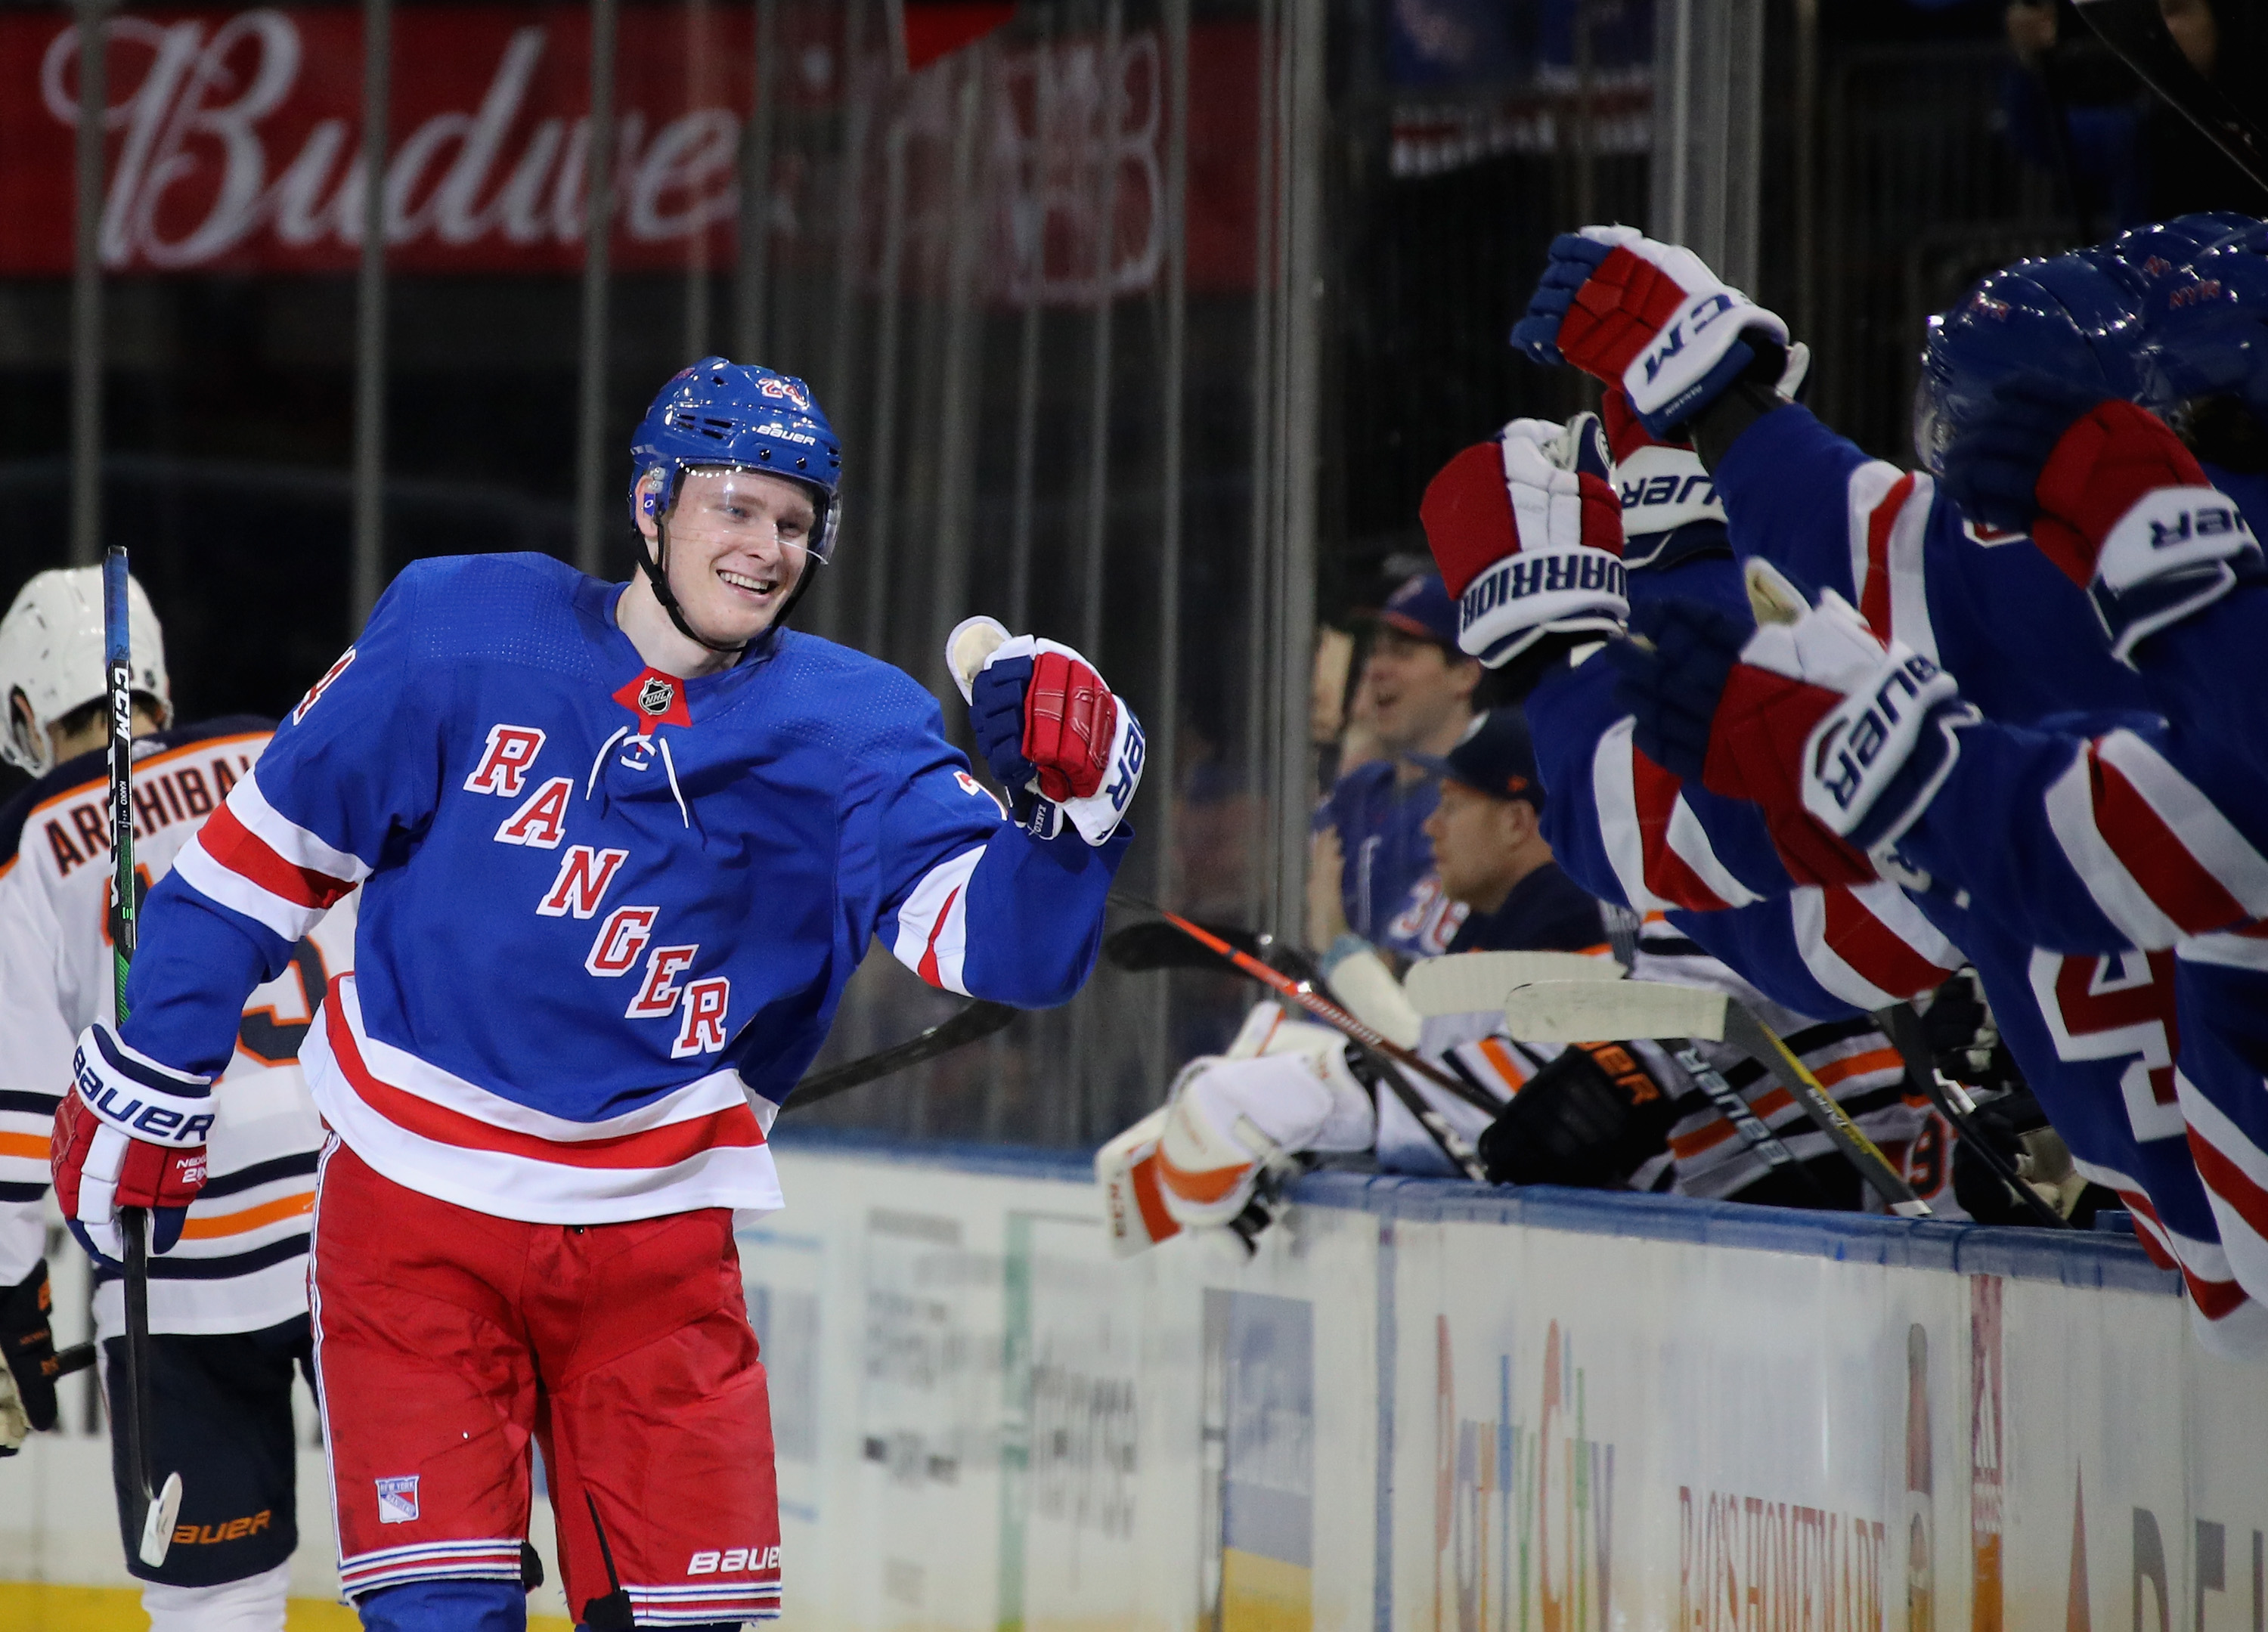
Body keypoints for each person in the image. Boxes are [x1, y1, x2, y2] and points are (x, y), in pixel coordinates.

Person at [46, 358, 1141, 1632]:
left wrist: (1078, 816)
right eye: (735, 505)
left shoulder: (855, 733)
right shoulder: (460, 631)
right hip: (415, 1225)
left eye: (795, 521)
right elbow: (245, 871)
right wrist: (160, 1069)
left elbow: (1009, 952)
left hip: (657, 1250)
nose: (767, 545)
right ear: (651, 501)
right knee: (444, 1616)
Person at [0, 566, 353, 1632]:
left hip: (173, 1262)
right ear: (157, 680)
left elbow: (18, 1107)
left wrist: (10, 1298)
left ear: (23, 710)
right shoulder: (273, 755)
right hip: (362, 1229)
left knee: (215, 1607)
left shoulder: (27, 840)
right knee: (441, 1568)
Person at [1310, 572, 1480, 959]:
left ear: (1465, 674)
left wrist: (1334, 938)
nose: (1377, 669)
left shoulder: (1480, 802)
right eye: (1375, 651)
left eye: (1403, 653)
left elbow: (1408, 988)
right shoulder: (1358, 791)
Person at [1411, 707, 1606, 954]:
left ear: (1515, 823)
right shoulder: (1497, 913)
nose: (1431, 827)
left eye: (1451, 806)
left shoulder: (1564, 919)